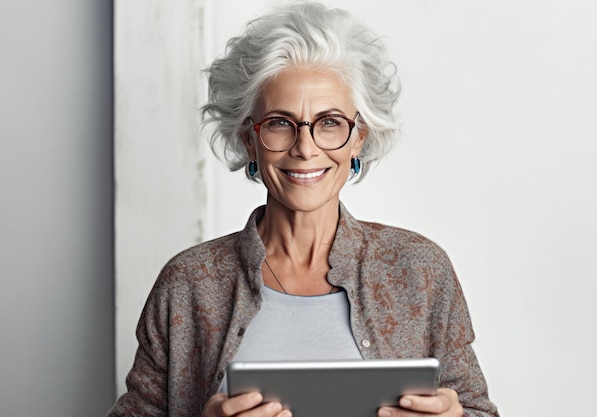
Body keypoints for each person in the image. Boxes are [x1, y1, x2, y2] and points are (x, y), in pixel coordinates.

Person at [107, 2, 499, 417]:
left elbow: (476, 410)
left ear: (358, 138)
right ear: (248, 139)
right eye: (280, 122)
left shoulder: (419, 269)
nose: (306, 148)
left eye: (330, 122)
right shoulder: (188, 284)